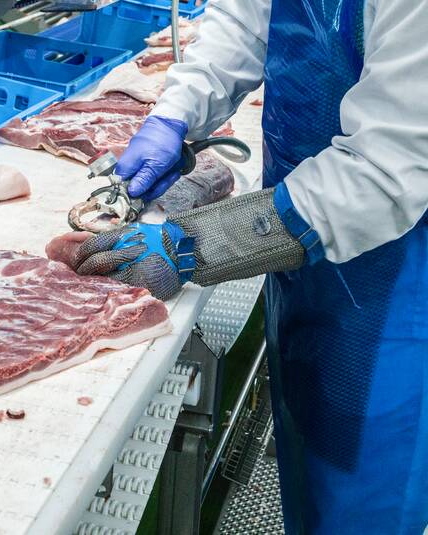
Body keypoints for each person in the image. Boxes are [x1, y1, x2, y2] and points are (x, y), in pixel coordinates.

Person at [70, 0, 428, 533]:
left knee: (361, 487)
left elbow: (386, 170)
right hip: (300, 256)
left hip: (394, 287)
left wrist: (196, 245)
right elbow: (244, 18)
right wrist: (176, 112)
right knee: (306, 463)